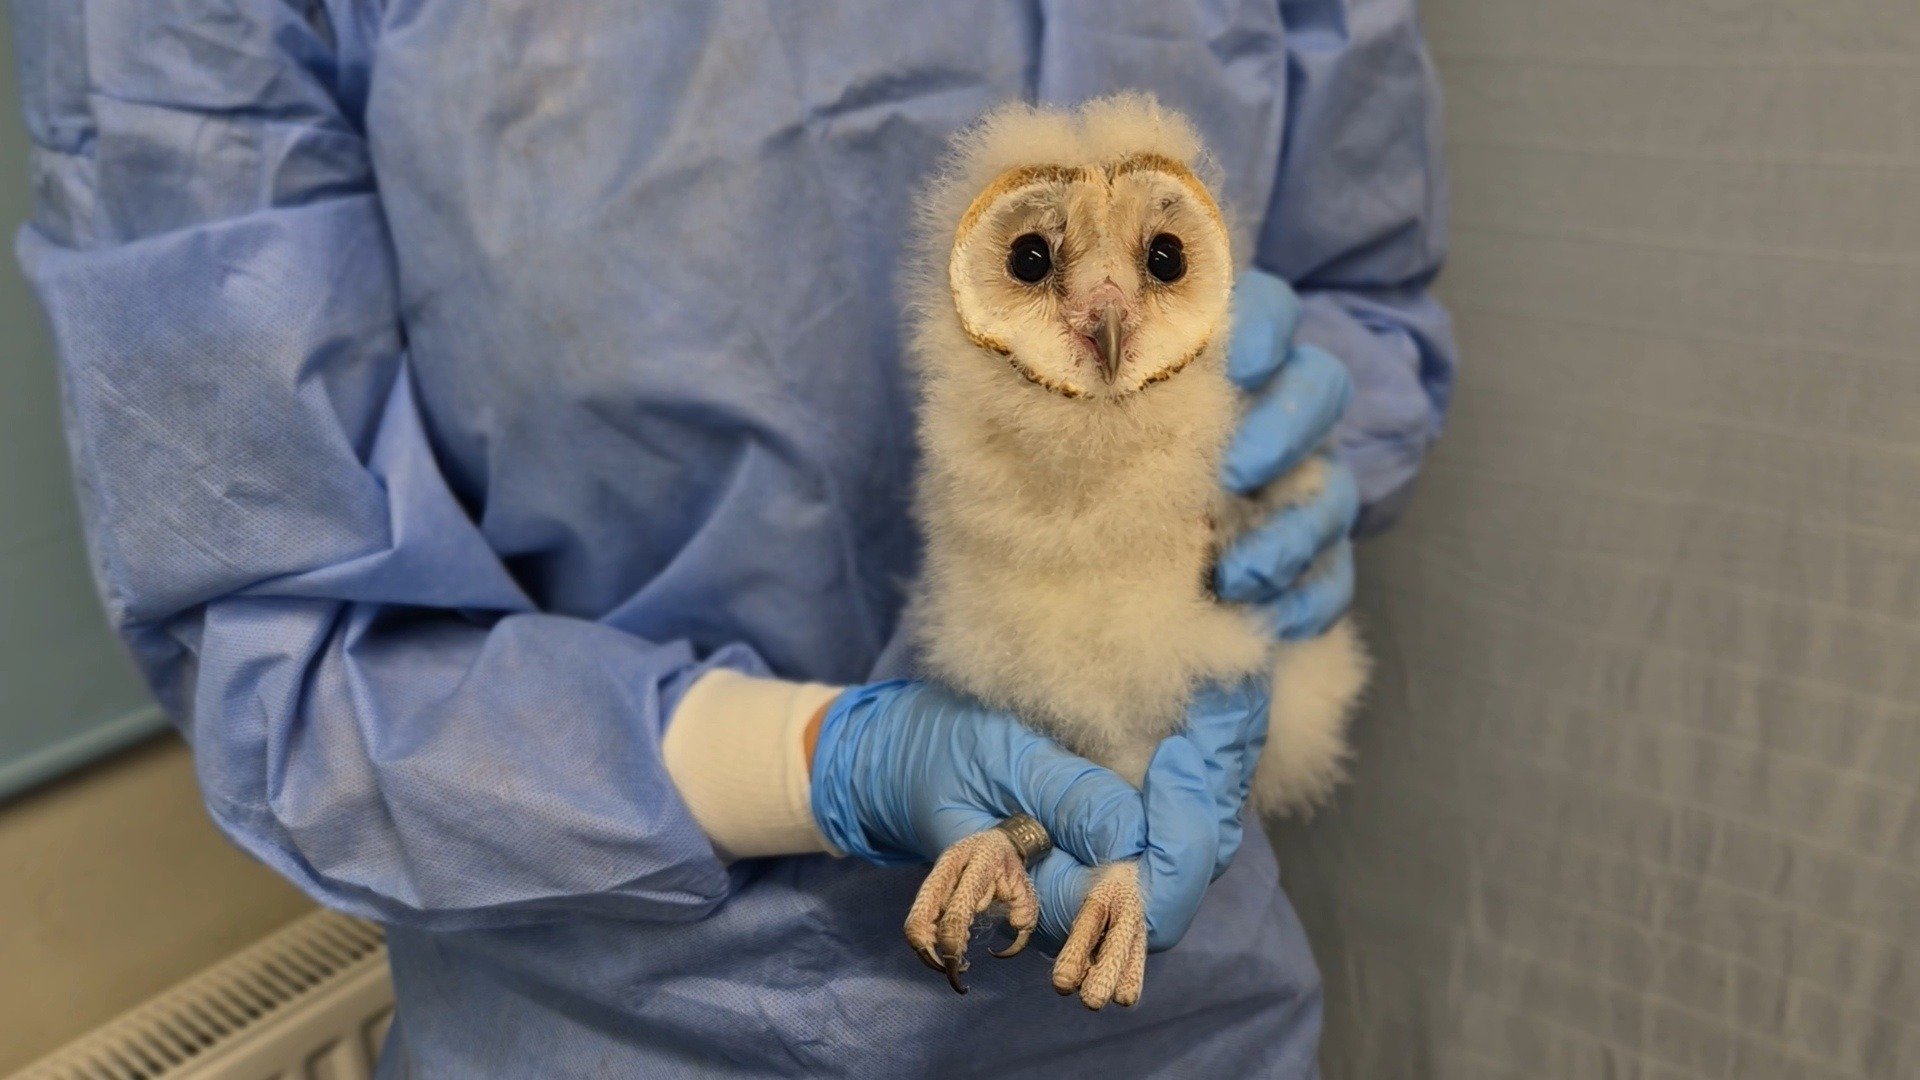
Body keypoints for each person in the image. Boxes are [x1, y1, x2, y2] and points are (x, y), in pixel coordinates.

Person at [13, 1, 1454, 1075]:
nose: (1093, 312)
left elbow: (1357, 281)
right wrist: (816, 763)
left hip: (1178, 1020)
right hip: (608, 1013)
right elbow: (278, 628)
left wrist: (1288, 451)